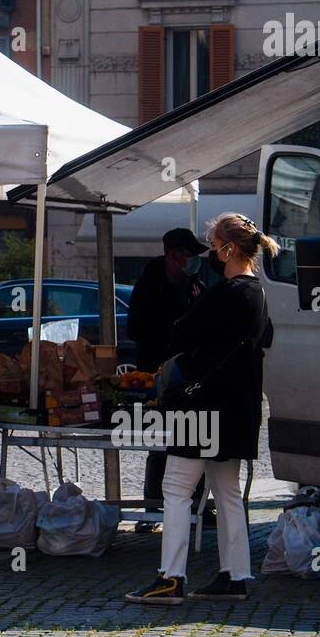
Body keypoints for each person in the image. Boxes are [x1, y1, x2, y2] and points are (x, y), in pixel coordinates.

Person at [126, 213, 277, 604]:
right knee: (226, 493)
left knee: (176, 488)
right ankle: (236, 574)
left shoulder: (222, 294)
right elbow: (266, 339)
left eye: (213, 245)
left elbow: (180, 333)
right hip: (239, 408)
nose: (209, 252)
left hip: (202, 406)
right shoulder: (257, 293)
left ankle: (171, 577)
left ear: (228, 249)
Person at [127, 227, 209, 532]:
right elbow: (136, 330)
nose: (194, 262)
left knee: (194, 437)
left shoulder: (194, 286)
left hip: (189, 377)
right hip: (157, 376)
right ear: (174, 255)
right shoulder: (148, 285)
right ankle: (152, 507)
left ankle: (196, 505)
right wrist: (170, 336)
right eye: (190, 256)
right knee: (160, 442)